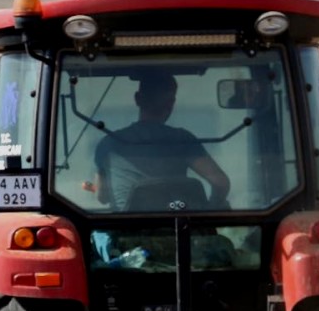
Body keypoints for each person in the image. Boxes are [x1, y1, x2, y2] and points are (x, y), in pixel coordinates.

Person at [93, 73, 231, 211]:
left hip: (125, 224)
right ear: (171, 102)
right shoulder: (181, 139)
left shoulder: (109, 143)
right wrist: (209, 210)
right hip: (176, 222)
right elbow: (221, 183)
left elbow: (102, 197)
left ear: (138, 99)